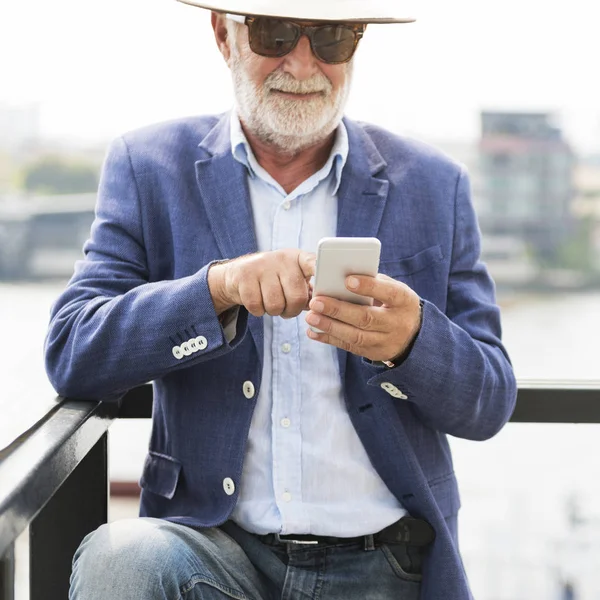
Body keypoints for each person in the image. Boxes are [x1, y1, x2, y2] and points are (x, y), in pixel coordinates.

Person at [44, 0, 517, 598]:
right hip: (215, 555)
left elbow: (491, 401)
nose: (302, 62)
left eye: (331, 39)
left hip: (387, 567)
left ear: (358, 42)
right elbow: (72, 351)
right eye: (274, 33)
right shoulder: (147, 167)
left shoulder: (434, 182)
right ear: (224, 34)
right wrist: (218, 290)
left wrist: (413, 340)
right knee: (119, 559)